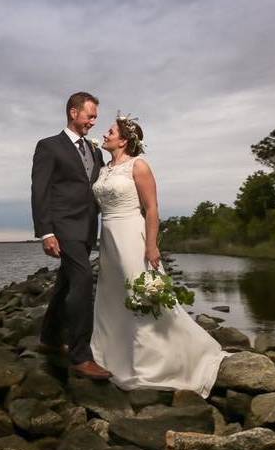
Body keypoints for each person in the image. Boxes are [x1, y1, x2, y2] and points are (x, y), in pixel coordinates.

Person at [90, 115, 226, 395]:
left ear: (124, 140)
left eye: (111, 130)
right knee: (113, 297)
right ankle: (116, 355)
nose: (105, 133)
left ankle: (150, 364)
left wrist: (151, 246)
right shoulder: (103, 170)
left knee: (139, 295)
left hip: (131, 235)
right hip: (109, 239)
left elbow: (152, 209)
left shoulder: (138, 166)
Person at [31, 92, 111, 380]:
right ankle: (81, 356)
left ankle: (49, 339)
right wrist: (46, 232)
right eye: (90, 115)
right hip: (64, 228)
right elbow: (39, 191)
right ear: (73, 112)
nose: (93, 121)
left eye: (95, 117)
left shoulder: (95, 151)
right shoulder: (48, 146)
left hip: (88, 227)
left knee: (65, 284)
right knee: (82, 281)